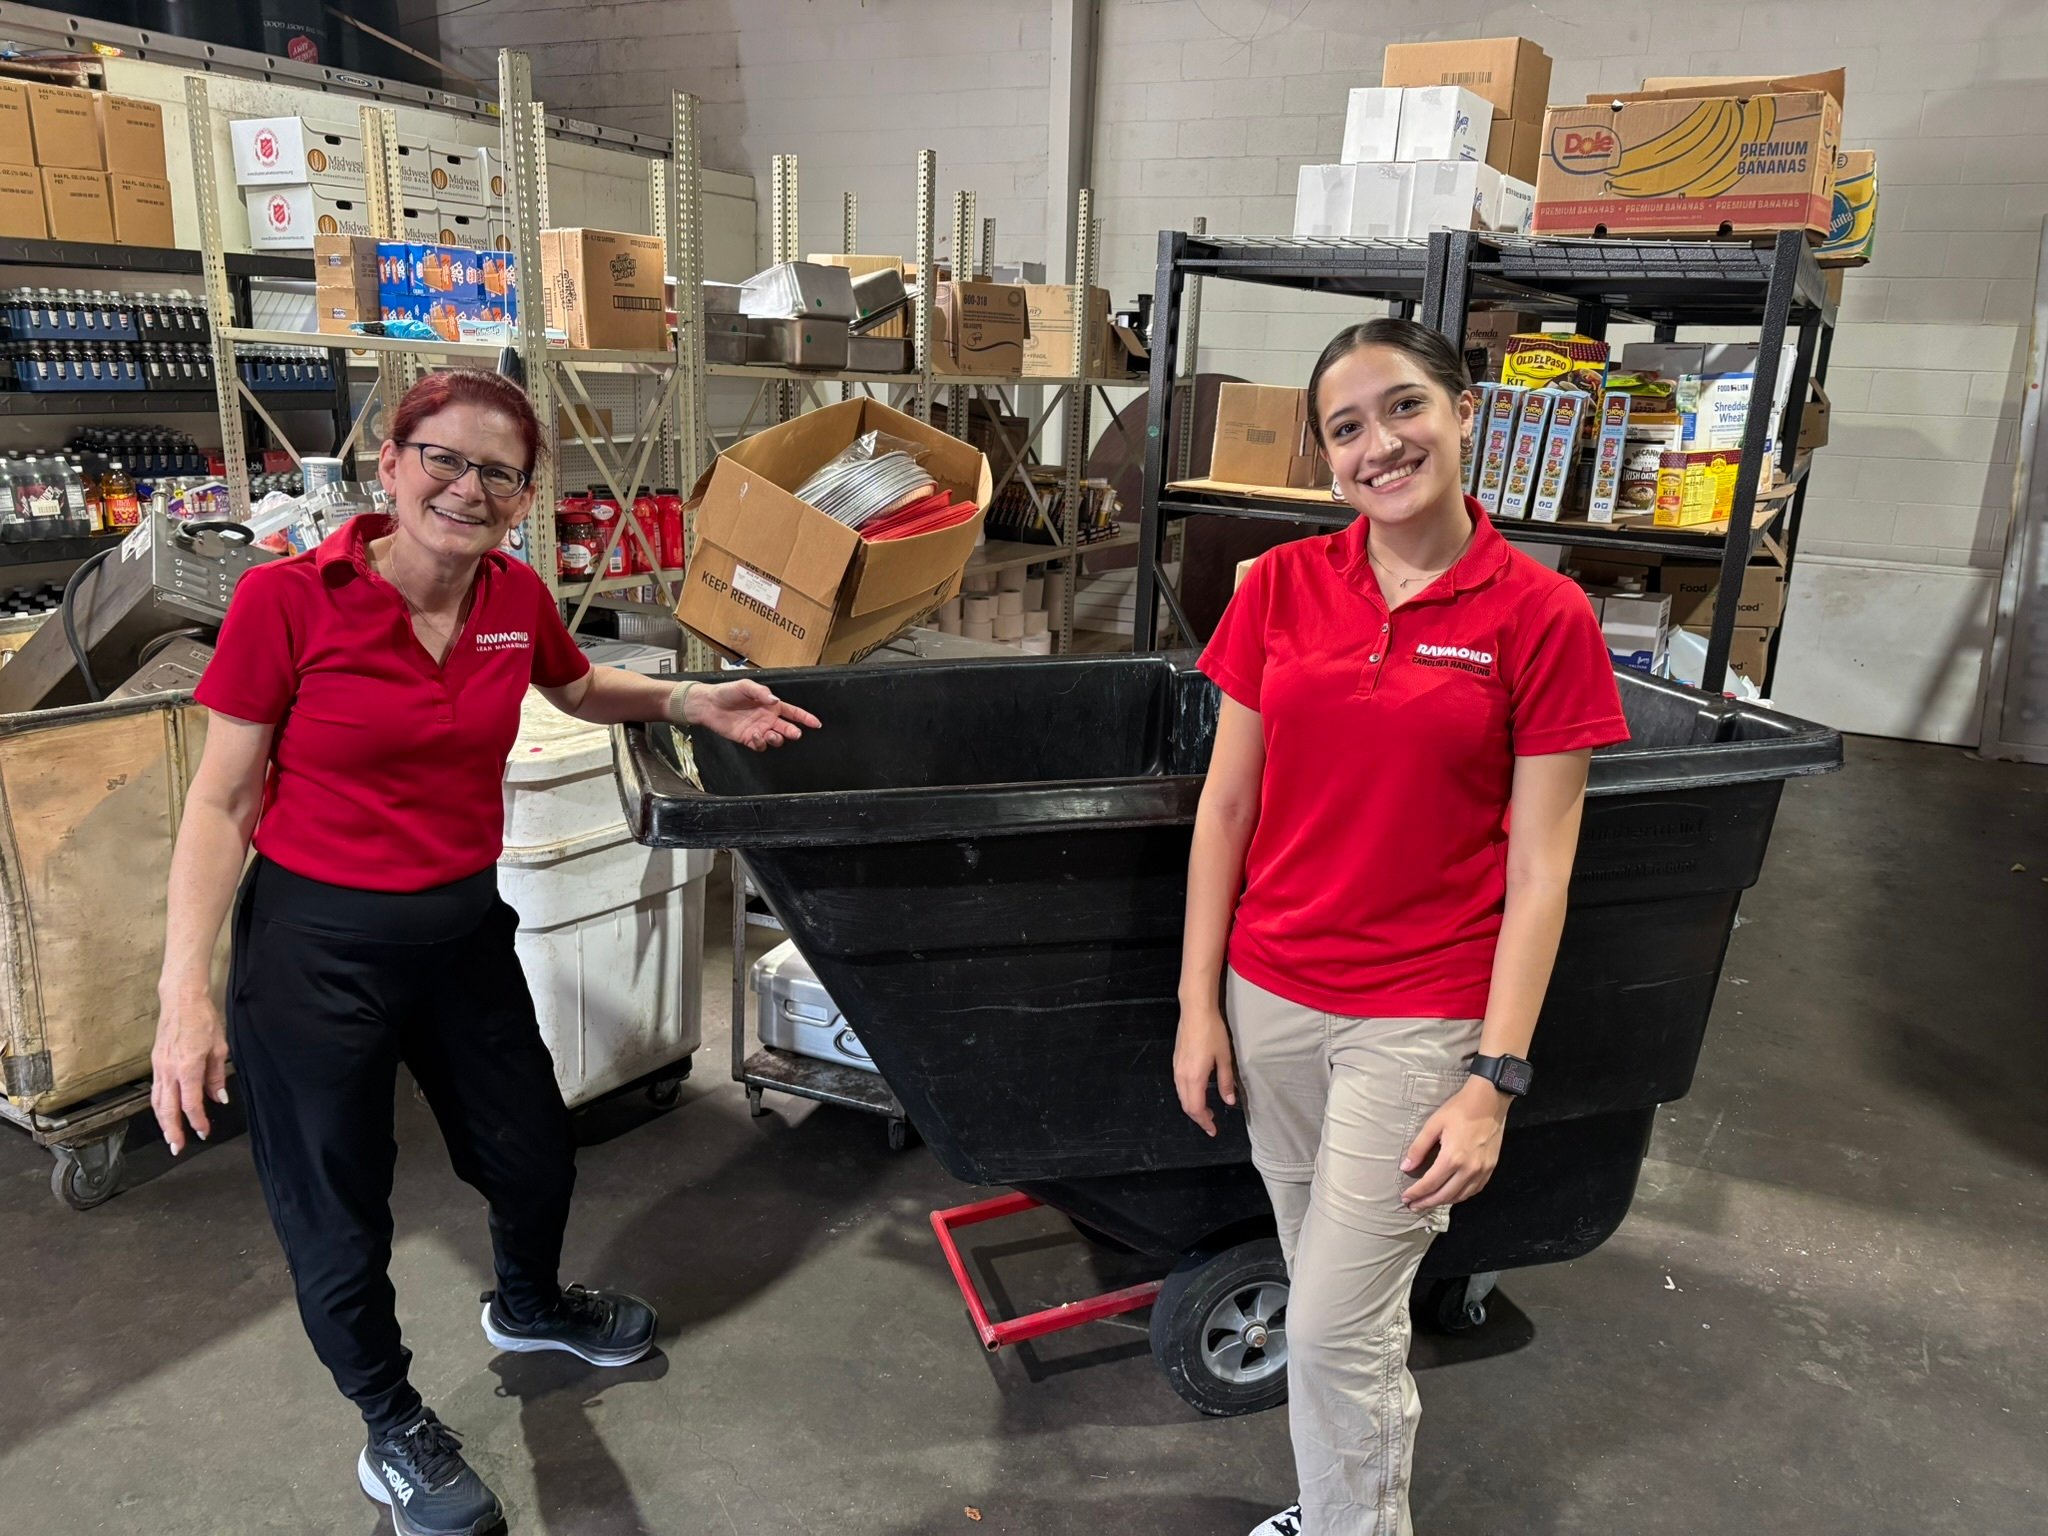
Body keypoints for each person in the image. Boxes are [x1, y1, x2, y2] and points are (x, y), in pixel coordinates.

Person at [150, 368, 820, 1536]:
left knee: (529, 1152)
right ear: (392, 464)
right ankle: (389, 1418)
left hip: (463, 931)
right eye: (443, 460)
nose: (466, 488)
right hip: (318, 949)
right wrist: (183, 998)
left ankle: (528, 1303)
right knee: (337, 1205)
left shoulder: (513, 592)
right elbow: (219, 806)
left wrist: (688, 701)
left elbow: (572, 683)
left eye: (497, 473)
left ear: (521, 497)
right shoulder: (291, 601)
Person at [1173, 319, 1630, 1536]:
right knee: (1337, 1309)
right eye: (1346, 428)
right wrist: (1196, 1006)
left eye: (1403, 407)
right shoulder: (1275, 588)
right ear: (1323, 457)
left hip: (1416, 1014)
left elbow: (1539, 872)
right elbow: (1225, 808)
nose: (1379, 444)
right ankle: (1335, 1512)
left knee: (1325, 1327)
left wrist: (1490, 1079)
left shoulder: (1540, 616)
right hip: (1269, 1000)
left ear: (1463, 409)